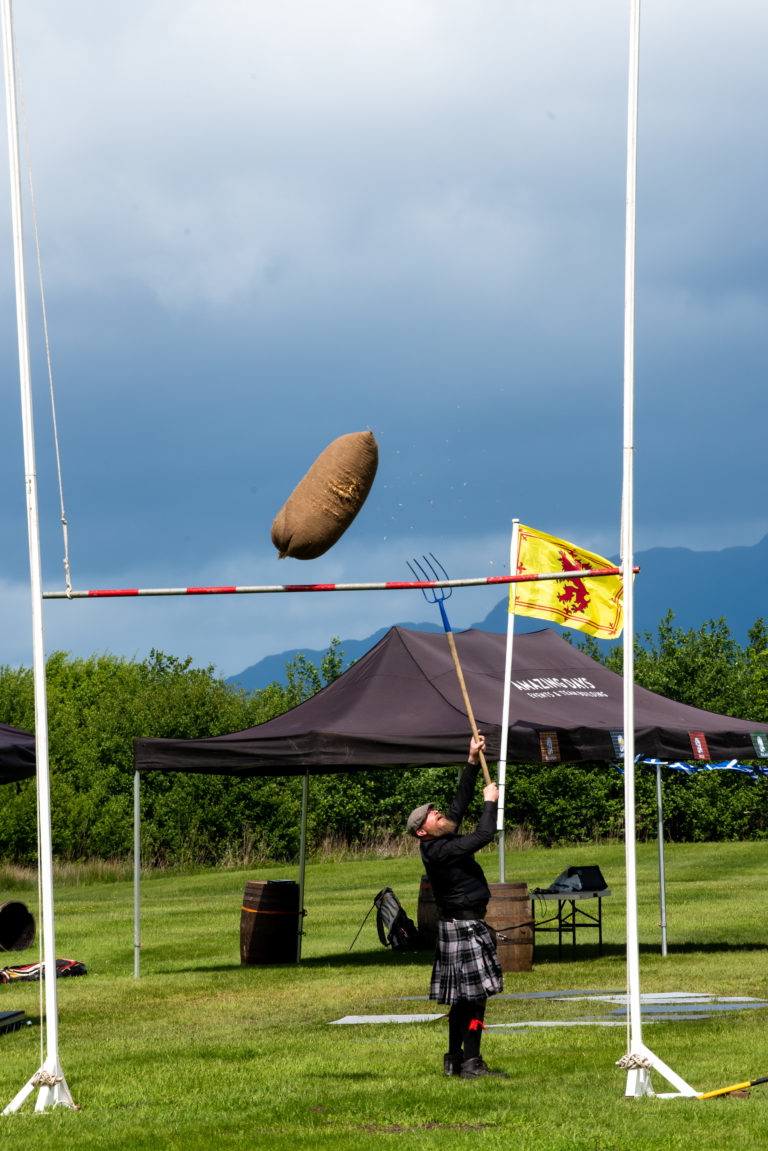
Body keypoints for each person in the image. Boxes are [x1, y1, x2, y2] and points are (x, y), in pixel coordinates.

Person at [406, 733, 508, 1080]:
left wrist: (470, 760)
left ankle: (454, 1061)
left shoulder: (438, 839)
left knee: (461, 1000)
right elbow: (483, 836)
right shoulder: (441, 850)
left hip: (459, 925)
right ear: (423, 832)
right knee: (476, 997)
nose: (438, 814)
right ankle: (473, 1063)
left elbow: (458, 807)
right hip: (464, 926)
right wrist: (491, 801)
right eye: (432, 815)